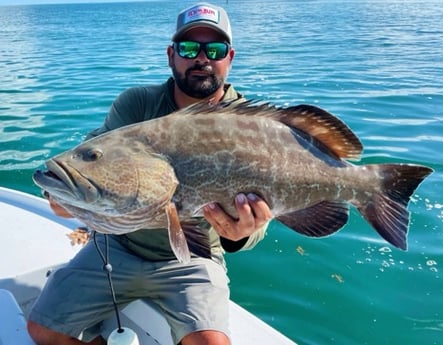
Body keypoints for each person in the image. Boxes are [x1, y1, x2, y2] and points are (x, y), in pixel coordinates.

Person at [27, 3, 272, 345]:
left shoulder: (252, 128)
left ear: (229, 57)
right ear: (171, 55)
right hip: (118, 246)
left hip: (194, 259)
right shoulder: (137, 106)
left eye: (214, 49)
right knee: (42, 329)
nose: (201, 58)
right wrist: (62, 196)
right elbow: (88, 165)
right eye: (188, 48)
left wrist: (242, 233)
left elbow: (267, 209)